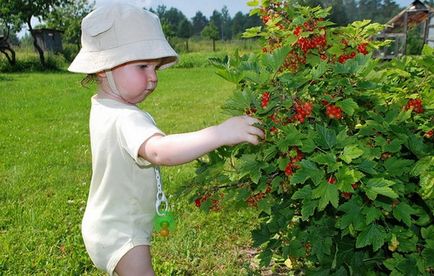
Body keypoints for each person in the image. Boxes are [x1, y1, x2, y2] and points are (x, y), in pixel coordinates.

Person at [68, 3, 264, 276]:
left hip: (104, 224)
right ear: (104, 68)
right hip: (124, 235)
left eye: (156, 67)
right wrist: (220, 133)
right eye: (142, 66)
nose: (153, 78)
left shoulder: (102, 105)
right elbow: (161, 151)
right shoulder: (126, 118)